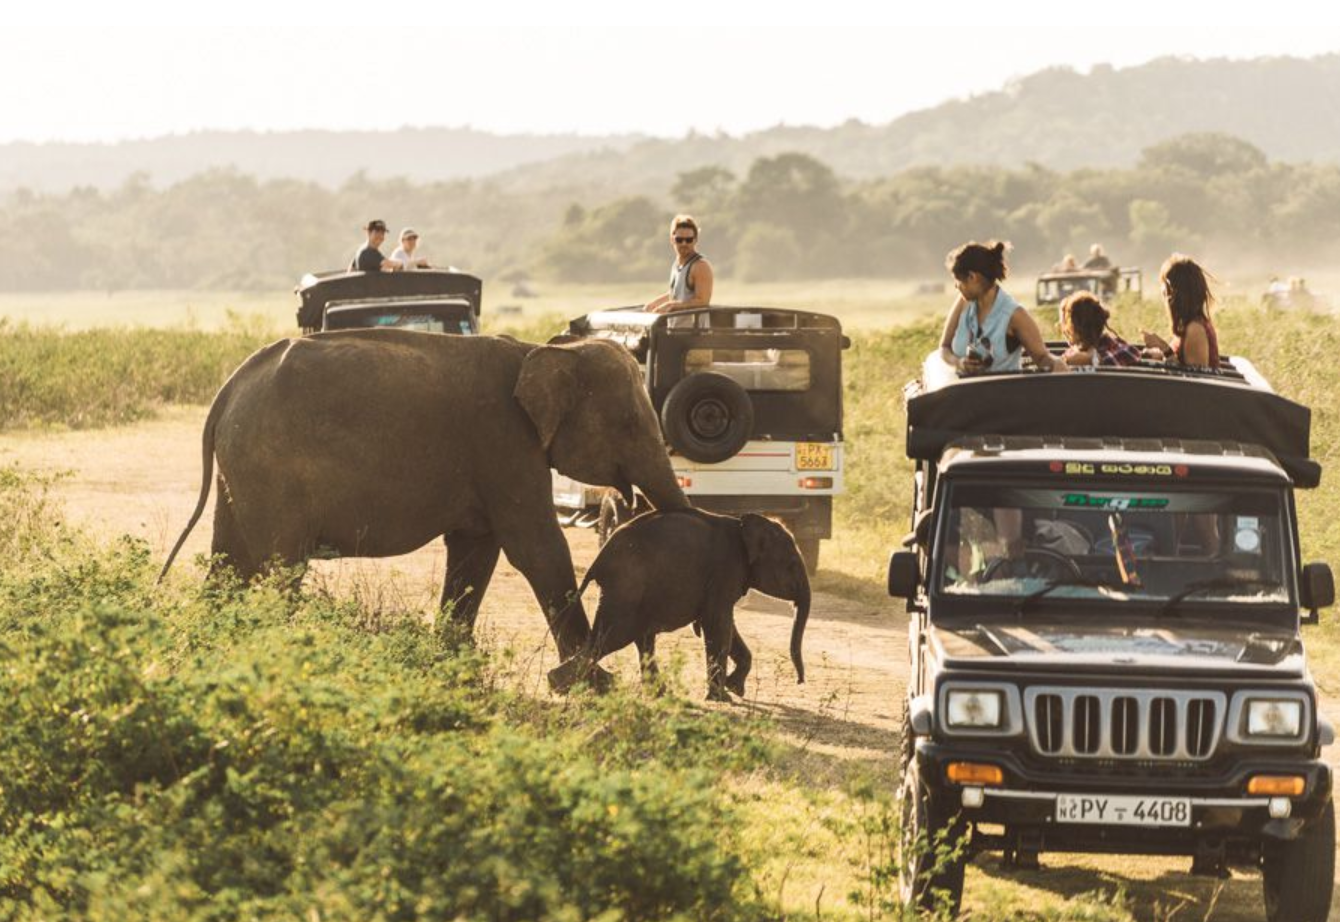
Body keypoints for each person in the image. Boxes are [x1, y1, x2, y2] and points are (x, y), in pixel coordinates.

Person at [939, 240, 1066, 374]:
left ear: (972, 277)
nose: (956, 286)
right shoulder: (963, 301)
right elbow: (944, 347)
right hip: (961, 392)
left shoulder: (1015, 314)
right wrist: (958, 363)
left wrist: (1056, 364)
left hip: (1002, 392)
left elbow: (1041, 357)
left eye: (957, 280)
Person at [1141, 254, 1220, 369]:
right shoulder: (1189, 325)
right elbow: (1182, 364)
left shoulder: (1195, 330)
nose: (1162, 292)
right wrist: (1160, 355)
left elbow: (1195, 380)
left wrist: (1165, 348)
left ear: (1173, 293)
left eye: (1164, 286)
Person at [645, 214, 714, 313]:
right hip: (674, 327)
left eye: (688, 240)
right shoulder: (676, 264)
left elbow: (703, 301)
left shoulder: (700, 266)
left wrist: (671, 305)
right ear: (672, 240)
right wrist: (654, 304)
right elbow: (676, 294)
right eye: (679, 240)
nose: (684, 243)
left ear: (695, 240)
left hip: (693, 328)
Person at [1059, 291, 1141, 367]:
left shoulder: (1110, 345)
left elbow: (1131, 353)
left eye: (1065, 323)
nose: (1063, 330)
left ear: (1074, 327)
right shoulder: (1073, 353)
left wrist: (1092, 359)